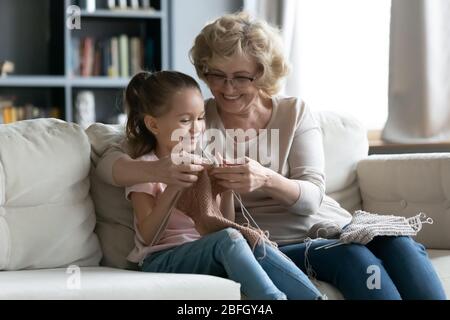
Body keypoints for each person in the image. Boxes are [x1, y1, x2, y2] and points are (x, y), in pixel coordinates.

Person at [98, 13, 446, 300]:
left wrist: (265, 178)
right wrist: (163, 169)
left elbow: (312, 197)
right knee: (355, 259)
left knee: (398, 244)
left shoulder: (293, 113)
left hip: (332, 224)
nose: (228, 88)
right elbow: (112, 158)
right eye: (216, 75)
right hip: (279, 241)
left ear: (265, 73)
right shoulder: (195, 121)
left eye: (241, 77)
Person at [121, 70, 325, 300]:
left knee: (249, 238)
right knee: (231, 238)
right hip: (160, 259)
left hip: (208, 251)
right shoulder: (146, 168)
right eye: (185, 120)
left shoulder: (202, 159)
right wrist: (174, 186)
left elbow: (222, 223)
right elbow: (148, 236)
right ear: (153, 125)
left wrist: (226, 188)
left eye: (200, 118)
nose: (196, 128)